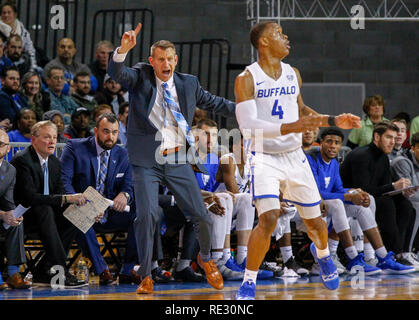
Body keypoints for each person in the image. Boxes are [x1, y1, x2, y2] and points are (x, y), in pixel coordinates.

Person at [234, 21, 361, 299]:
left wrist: (332, 119)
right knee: (267, 218)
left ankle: (324, 254)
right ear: (264, 42)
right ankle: (249, 282)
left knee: (315, 223)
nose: (286, 37)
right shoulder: (247, 78)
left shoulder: (293, 74)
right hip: (264, 156)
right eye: (279, 33)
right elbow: (248, 127)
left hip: (294, 155)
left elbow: (301, 109)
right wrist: (292, 127)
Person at [107, 23, 235, 294]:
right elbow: (117, 73)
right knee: (148, 215)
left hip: (177, 157)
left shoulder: (189, 83)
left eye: (169, 59)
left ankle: (207, 260)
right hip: (146, 160)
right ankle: (146, 273)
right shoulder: (140, 76)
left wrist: (247, 108)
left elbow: (215, 102)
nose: (165, 63)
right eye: (160, 59)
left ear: (176, 60)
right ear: (151, 61)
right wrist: (122, 51)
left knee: (202, 215)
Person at [307, 127, 414, 274]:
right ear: (321, 143)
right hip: (312, 206)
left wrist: (356, 192)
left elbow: (339, 189)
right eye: (329, 141)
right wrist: (348, 196)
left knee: (367, 199)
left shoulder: (333, 163)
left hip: (330, 204)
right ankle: (353, 257)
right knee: (340, 203)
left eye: (337, 143)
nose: (333, 146)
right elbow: (317, 193)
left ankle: (382, 257)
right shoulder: (312, 159)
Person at [10, 120, 94, 287]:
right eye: (47, 137)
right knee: (44, 208)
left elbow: (60, 192)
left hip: (46, 216)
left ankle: (43, 271)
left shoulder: (55, 162)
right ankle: (59, 270)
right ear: (33, 140)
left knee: (74, 214)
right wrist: (65, 199)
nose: (52, 142)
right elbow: (30, 198)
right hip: (21, 217)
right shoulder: (22, 160)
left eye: (54, 137)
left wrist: (82, 205)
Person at [60, 113, 140, 285]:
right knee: (80, 215)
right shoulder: (75, 147)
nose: (110, 137)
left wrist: (124, 195)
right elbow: (64, 180)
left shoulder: (123, 153)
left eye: (114, 132)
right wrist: (84, 202)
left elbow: (129, 185)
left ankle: (128, 269)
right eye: (105, 131)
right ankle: (102, 270)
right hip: (82, 206)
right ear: (96, 130)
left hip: (109, 212)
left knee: (140, 216)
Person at [340, 122, 417, 267]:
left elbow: (384, 188)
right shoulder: (361, 156)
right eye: (388, 137)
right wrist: (394, 185)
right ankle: (389, 255)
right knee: (386, 204)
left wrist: (401, 190)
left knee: (406, 205)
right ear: (376, 136)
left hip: (372, 198)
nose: (392, 142)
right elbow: (362, 190)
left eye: (394, 138)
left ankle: (402, 252)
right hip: (350, 200)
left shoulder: (382, 157)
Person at [0, 128, 31, 290]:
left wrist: (12, 214)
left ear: (8, 148)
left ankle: (13, 273)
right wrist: (3, 214)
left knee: (16, 222)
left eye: (0, 144)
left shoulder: (10, 170)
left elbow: (8, 200)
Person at [390, 132, 419, 268]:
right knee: (415, 206)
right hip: (394, 199)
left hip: (408, 199)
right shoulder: (402, 161)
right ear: (412, 148)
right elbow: (409, 191)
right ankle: (405, 252)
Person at [0, 2, 38, 71]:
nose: (6, 15)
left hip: (21, 63)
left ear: (15, 14)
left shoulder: (22, 30)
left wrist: (32, 69)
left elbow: (30, 51)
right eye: (4, 13)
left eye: (9, 12)